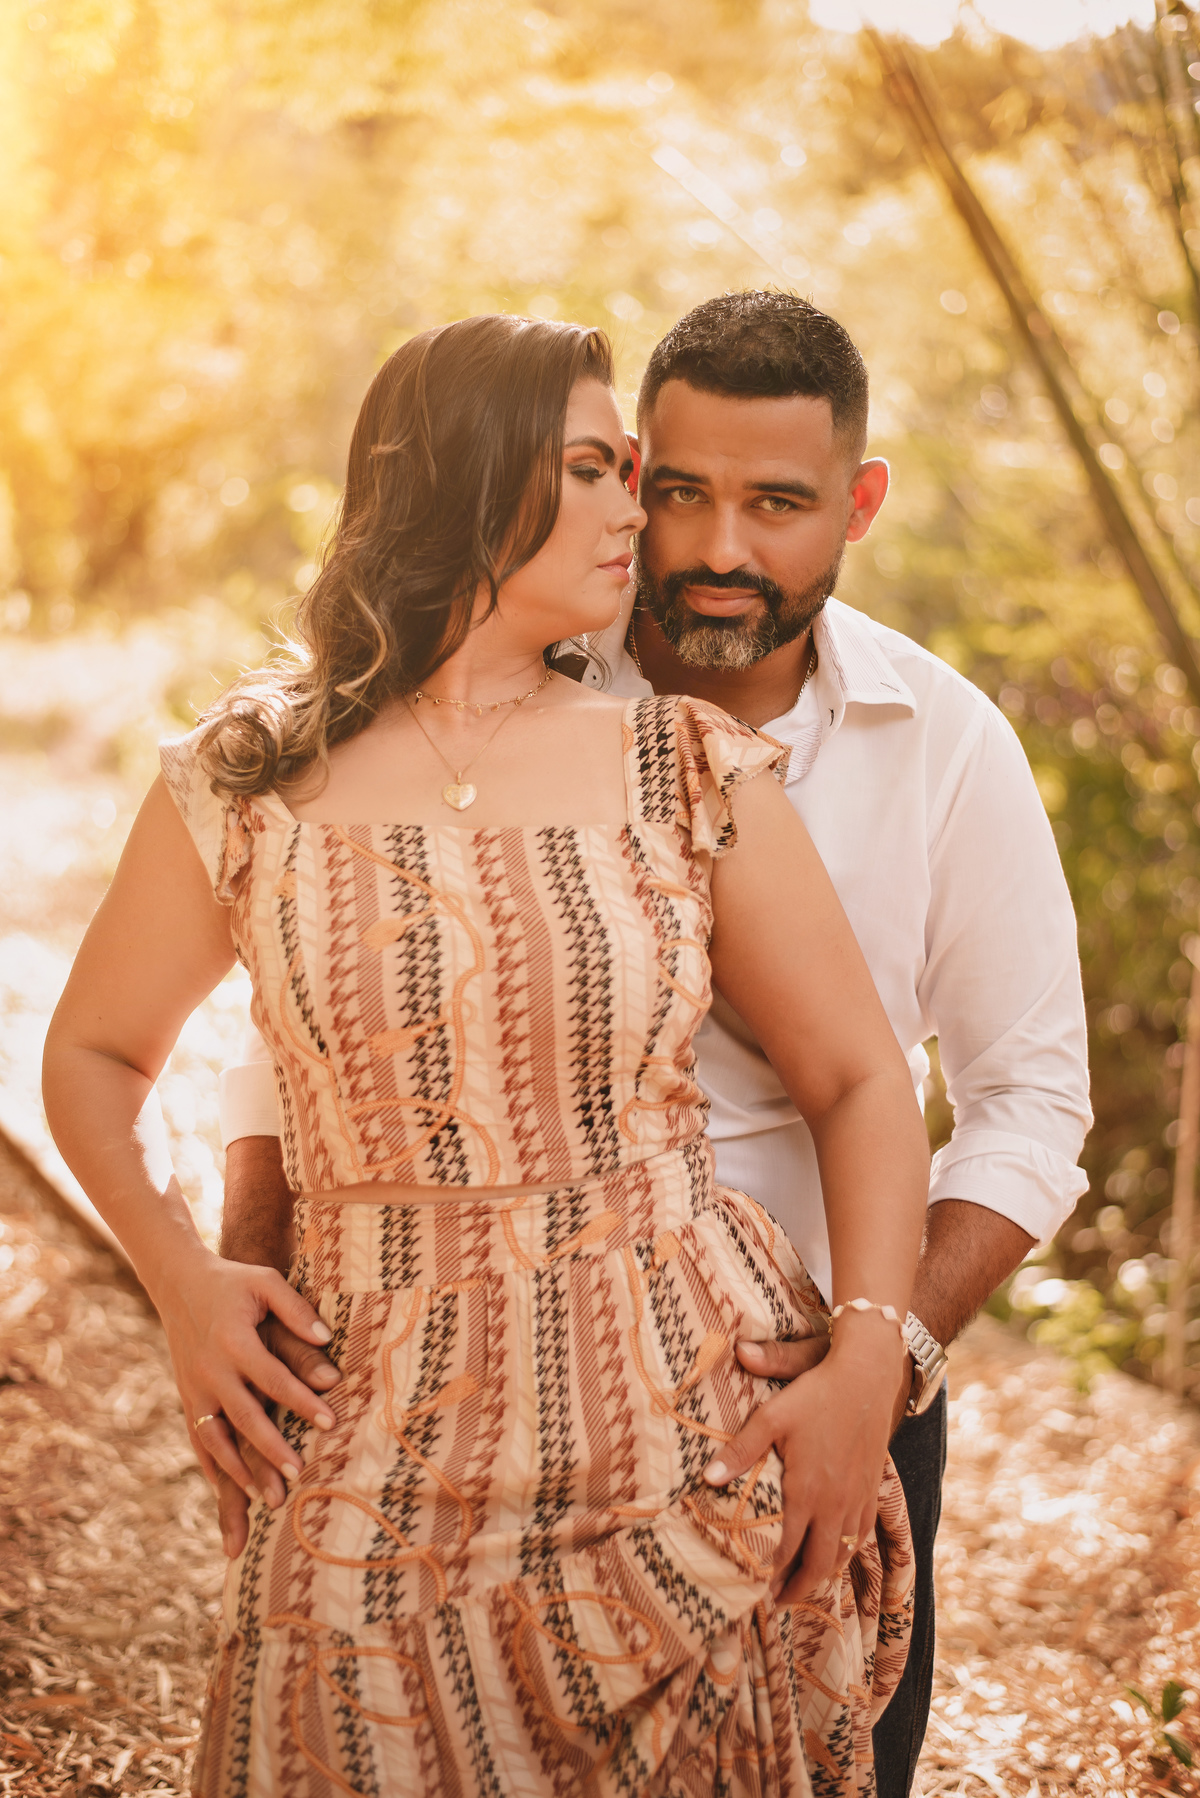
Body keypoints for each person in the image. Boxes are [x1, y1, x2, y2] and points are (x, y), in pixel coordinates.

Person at [214, 291, 1092, 1797]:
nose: (717, 548)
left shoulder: (948, 747)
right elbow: (308, 1014)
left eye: (778, 504)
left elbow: (1030, 1101)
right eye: (678, 490)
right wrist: (251, 1294)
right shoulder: (507, 670)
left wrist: (881, 1356)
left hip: (815, 1392)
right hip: (458, 1402)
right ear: (626, 474)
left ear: (860, 503)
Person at [42, 312, 932, 1796]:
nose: (632, 509)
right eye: (589, 468)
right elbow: (92, 1053)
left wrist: (866, 1357)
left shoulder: (681, 764)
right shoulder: (250, 784)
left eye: (626, 470)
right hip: (362, 1426)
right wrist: (182, 1283)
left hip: (682, 1433)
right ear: (465, 471)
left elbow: (860, 1078)